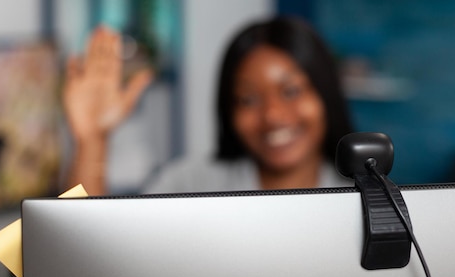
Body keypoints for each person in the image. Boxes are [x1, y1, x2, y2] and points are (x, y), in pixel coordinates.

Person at [63, 16, 354, 195]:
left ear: (324, 92)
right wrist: (92, 140)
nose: (273, 115)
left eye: (291, 91)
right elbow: (82, 259)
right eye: (248, 99)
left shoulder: (365, 199)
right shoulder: (190, 186)